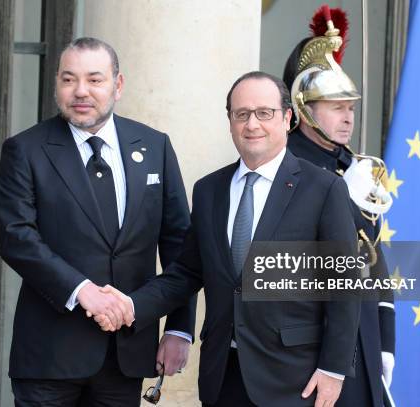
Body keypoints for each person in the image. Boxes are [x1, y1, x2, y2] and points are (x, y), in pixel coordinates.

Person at [96, 71, 361, 407]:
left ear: (287, 118)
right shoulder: (209, 191)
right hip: (223, 375)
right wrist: (131, 306)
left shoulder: (323, 189)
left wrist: (334, 369)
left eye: (264, 113)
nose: (252, 124)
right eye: (242, 114)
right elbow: (187, 274)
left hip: (295, 380)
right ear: (230, 121)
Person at [0, 37, 196, 406]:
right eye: (68, 79)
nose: (80, 91)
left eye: (94, 79)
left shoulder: (155, 147)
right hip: (49, 357)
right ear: (56, 83)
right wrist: (82, 290)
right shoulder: (25, 150)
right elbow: (16, 237)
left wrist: (179, 328)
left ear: (118, 85)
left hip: (127, 355)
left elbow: (181, 249)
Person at [283, 6, 396, 407]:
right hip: (315, 342)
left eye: (351, 107)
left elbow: (375, 259)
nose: (349, 117)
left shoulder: (352, 165)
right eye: (337, 107)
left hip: (363, 335)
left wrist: (386, 339)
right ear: (304, 109)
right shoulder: (289, 168)